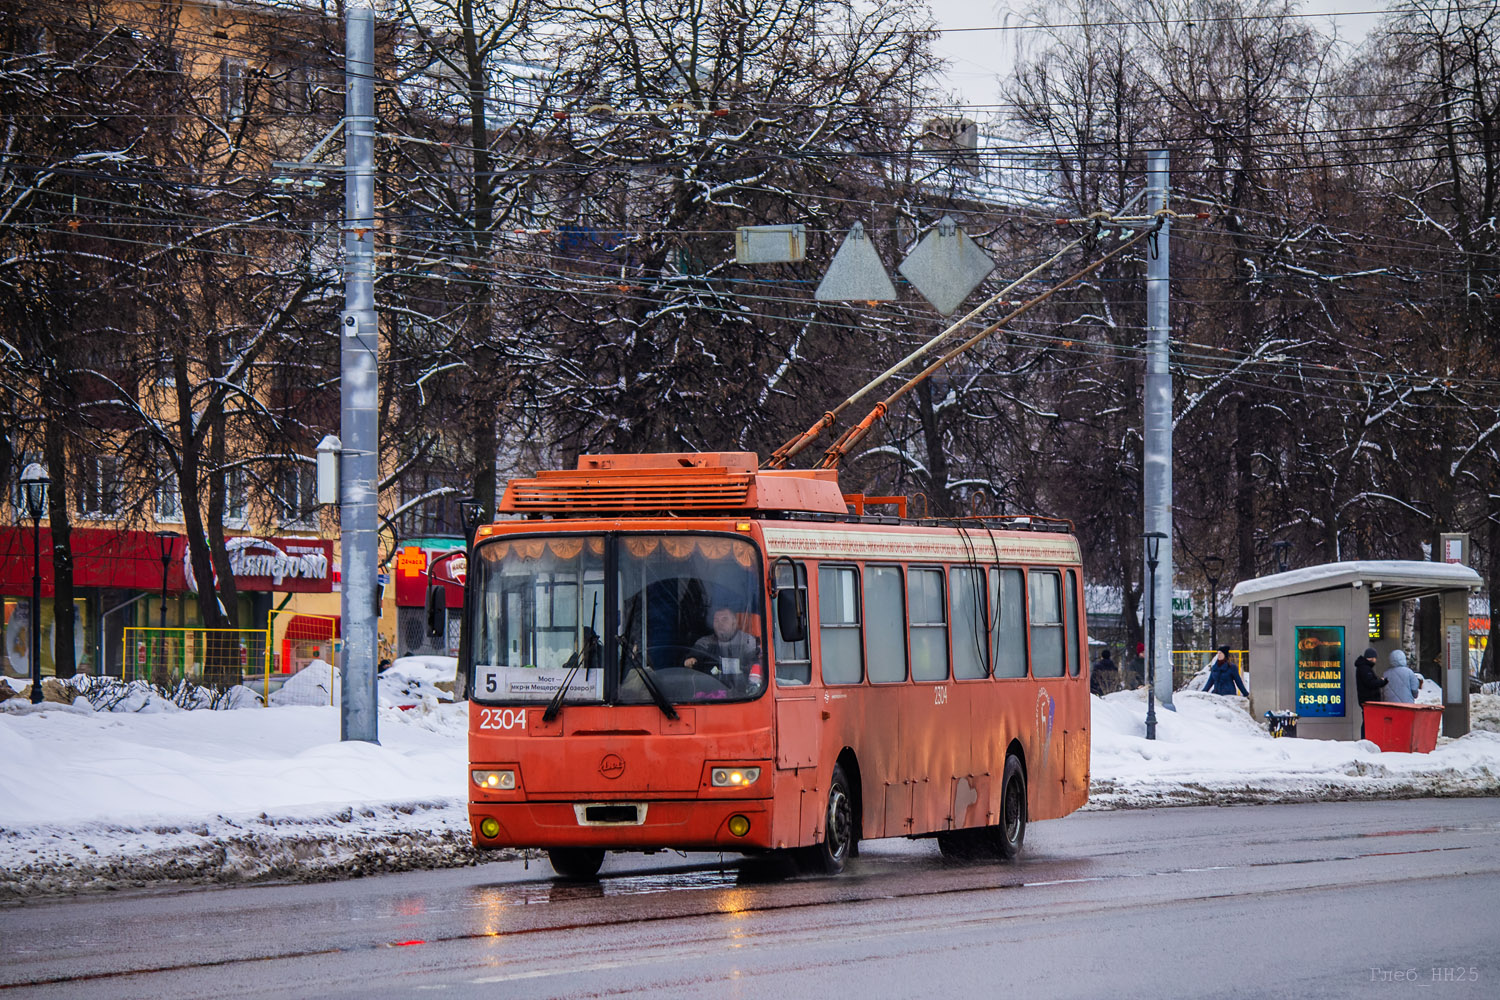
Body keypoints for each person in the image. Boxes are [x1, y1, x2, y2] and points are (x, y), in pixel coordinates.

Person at [685, 607, 760, 678]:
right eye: (716, 620)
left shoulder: (748, 641)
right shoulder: (706, 642)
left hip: (742, 687)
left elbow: (755, 662)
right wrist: (691, 659)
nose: (720, 623)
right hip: (712, 686)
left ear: (734, 622)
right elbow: (695, 654)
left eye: (724, 619)